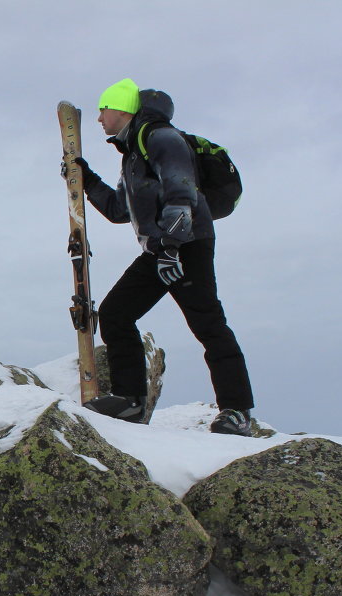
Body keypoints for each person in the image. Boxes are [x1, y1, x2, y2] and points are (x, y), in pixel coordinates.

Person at [68, 78, 255, 436]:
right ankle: (130, 401)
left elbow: (180, 190)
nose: (99, 119)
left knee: (207, 324)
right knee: (116, 314)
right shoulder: (133, 157)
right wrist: (85, 179)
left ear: (122, 109)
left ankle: (238, 411)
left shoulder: (161, 138)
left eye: (103, 109)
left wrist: (172, 247)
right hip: (161, 248)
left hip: (188, 244)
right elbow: (120, 210)